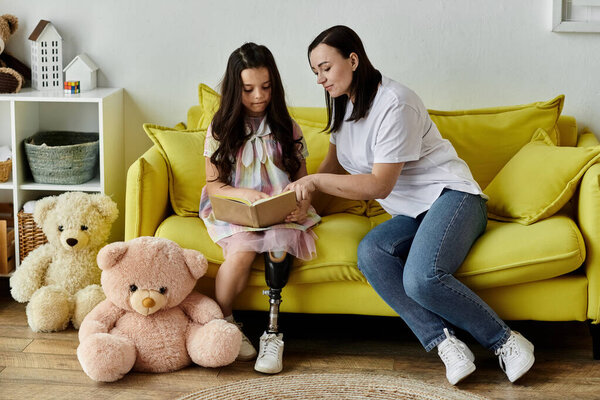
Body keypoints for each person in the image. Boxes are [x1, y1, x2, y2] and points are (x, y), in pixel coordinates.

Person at [286, 25, 535, 385]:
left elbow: (379, 184)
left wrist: (315, 182)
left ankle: (505, 340)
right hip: (412, 214)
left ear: (353, 59)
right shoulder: (343, 107)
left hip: (453, 197)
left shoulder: (395, 102)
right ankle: (444, 341)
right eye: (315, 72)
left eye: (325, 67)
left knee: (421, 279)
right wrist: (305, 210)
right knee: (370, 252)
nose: (320, 79)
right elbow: (333, 167)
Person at [199, 42, 320, 374]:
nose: (258, 96)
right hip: (236, 208)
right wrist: (244, 195)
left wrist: (302, 203)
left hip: (279, 209)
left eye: (265, 87)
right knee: (239, 256)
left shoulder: (286, 127)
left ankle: (273, 331)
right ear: (235, 89)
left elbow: (302, 180)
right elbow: (214, 186)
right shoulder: (221, 129)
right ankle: (226, 322)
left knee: (278, 249)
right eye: (248, 89)